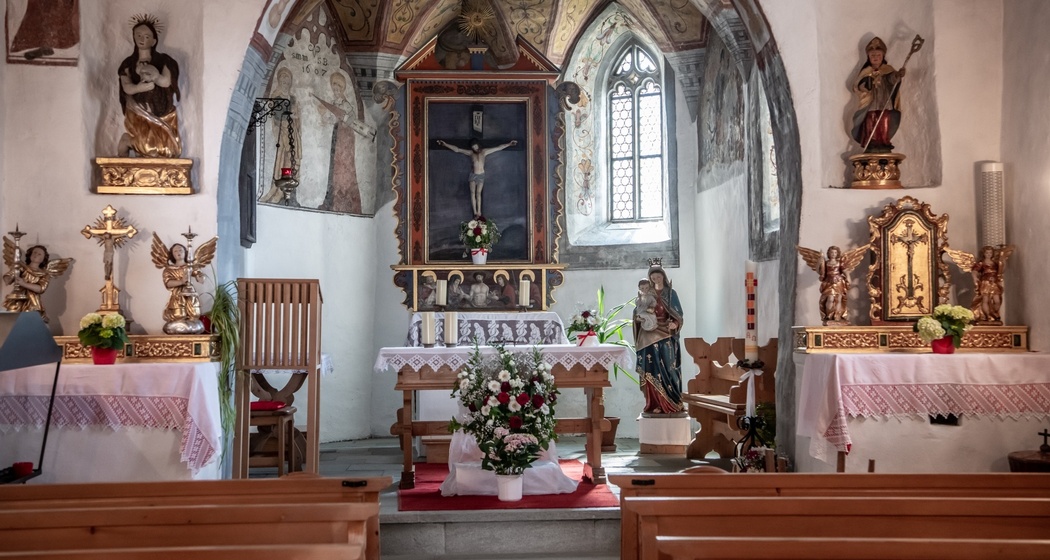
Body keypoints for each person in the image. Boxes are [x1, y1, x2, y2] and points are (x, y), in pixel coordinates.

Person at [117, 16, 182, 158]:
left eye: (147, 36)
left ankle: (130, 143)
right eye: (138, 35)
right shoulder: (128, 63)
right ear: (133, 37)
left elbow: (166, 82)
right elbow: (127, 87)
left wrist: (155, 76)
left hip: (162, 111)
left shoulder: (164, 60)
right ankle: (127, 141)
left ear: (153, 40)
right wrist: (140, 87)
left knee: (170, 151)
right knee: (149, 148)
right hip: (139, 110)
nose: (142, 39)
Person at [634, 261, 685, 416]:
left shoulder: (670, 293)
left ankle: (672, 401)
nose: (656, 278)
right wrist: (639, 319)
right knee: (651, 368)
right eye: (653, 275)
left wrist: (675, 323)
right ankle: (654, 402)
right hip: (648, 333)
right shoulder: (646, 294)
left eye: (658, 274)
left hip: (665, 332)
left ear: (663, 276)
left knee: (669, 366)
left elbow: (678, 313)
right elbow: (638, 312)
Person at [435, 138, 517, 217]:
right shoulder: (471, 153)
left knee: (478, 193)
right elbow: (457, 149)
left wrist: (509, 144)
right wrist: (445, 144)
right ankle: (475, 212)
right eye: (473, 147)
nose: (474, 148)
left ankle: (479, 211)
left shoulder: (484, 152)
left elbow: (498, 148)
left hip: (481, 175)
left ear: (478, 145)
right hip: (473, 175)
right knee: (473, 193)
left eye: (475, 146)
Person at [850, 37, 905, 153]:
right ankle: (872, 141)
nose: (875, 58)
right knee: (871, 119)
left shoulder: (888, 69)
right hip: (871, 102)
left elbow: (892, 80)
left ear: (883, 56)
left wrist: (897, 75)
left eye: (878, 55)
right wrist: (865, 85)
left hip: (884, 100)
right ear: (868, 57)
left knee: (884, 119)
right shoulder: (866, 71)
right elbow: (857, 86)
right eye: (872, 55)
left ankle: (884, 141)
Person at [2, 244, 71, 323]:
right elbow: (7, 280)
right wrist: (14, 268)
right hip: (17, 299)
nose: (36, 255)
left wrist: (24, 284)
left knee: (31, 322)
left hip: (33, 301)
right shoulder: (21, 267)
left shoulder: (44, 274)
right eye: (34, 252)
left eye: (39, 254)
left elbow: (41, 289)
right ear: (30, 254)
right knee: (11, 322)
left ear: (43, 259)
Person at [161, 243, 203, 327]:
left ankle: (192, 328)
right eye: (175, 251)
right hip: (178, 295)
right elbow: (168, 283)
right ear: (172, 254)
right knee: (179, 316)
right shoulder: (169, 269)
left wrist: (199, 277)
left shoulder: (190, 266)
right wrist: (181, 281)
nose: (178, 252)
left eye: (180, 250)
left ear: (185, 252)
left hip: (190, 293)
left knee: (194, 314)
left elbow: (200, 276)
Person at [970, 245, 1010, 323]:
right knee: (985, 300)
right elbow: (974, 271)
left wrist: (1003, 261)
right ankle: (988, 315)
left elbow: (1001, 270)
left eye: (990, 252)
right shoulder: (981, 263)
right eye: (987, 253)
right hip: (985, 282)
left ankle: (993, 313)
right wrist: (975, 277)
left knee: (997, 301)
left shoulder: (995, 263)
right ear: (984, 254)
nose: (989, 254)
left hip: (994, 283)